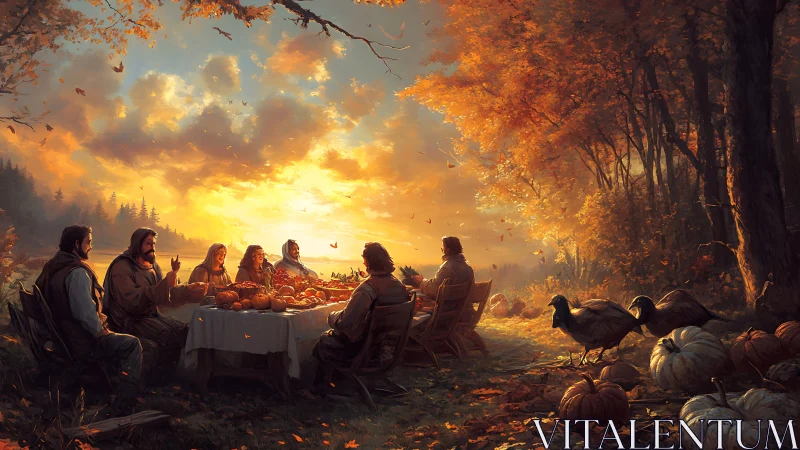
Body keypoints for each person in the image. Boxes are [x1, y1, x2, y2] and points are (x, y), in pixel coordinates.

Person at [35, 225, 142, 406]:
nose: (90, 246)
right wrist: (101, 332)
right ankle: (126, 401)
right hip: (80, 342)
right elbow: (83, 313)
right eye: (88, 242)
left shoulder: (54, 266)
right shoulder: (77, 273)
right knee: (132, 344)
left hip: (63, 336)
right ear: (77, 244)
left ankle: (108, 387)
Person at [102, 227, 191, 383]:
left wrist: (187, 287)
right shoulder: (122, 267)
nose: (152, 248)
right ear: (137, 244)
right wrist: (164, 285)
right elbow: (132, 300)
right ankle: (152, 383)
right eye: (148, 243)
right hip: (128, 320)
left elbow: (163, 293)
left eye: (154, 244)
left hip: (149, 315)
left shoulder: (153, 266)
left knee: (181, 330)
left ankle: (168, 380)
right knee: (165, 335)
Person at [313, 242, 409, 368]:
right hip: (388, 348)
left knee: (323, 340)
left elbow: (345, 322)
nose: (363, 263)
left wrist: (331, 316)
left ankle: (323, 384)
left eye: (364, 260)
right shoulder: (399, 285)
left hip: (363, 350)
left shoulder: (367, 289)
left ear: (368, 262)